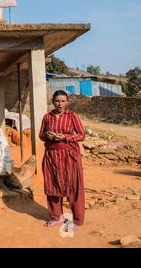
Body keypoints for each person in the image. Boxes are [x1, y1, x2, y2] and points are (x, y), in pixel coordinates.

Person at [40, 90, 86, 231]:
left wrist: (65, 137)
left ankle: (77, 221)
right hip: (52, 156)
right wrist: (47, 135)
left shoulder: (72, 116)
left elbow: (81, 135)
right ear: (53, 101)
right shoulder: (47, 117)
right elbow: (41, 135)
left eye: (62, 101)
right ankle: (56, 217)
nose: (60, 104)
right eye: (57, 101)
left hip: (69, 156)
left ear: (67, 102)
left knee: (73, 187)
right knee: (52, 185)